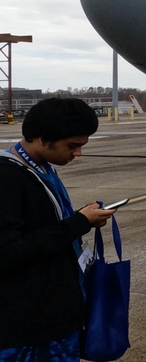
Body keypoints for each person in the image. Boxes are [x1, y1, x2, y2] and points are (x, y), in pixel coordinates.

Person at [0, 98, 118, 361]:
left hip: (55, 313)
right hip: (29, 328)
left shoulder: (41, 169)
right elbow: (8, 250)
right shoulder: (7, 177)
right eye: (72, 146)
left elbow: (44, 227)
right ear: (43, 139)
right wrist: (77, 223)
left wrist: (83, 219)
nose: (78, 153)